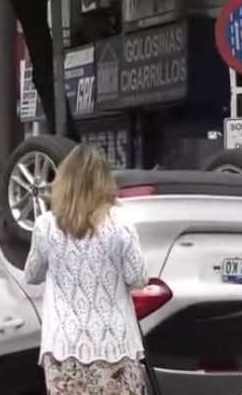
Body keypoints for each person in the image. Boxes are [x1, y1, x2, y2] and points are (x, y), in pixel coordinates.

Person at [24, 144, 149, 395]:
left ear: (64, 182)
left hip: (63, 348)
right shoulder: (121, 224)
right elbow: (138, 278)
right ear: (104, 182)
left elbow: (32, 275)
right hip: (116, 346)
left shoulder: (45, 226)